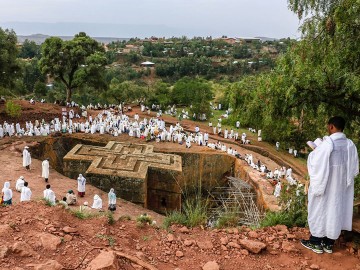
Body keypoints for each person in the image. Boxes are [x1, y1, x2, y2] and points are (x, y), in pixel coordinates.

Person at [301, 116, 359, 254]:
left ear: (332, 127)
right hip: (340, 187)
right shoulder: (350, 145)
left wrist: (315, 151)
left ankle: (315, 242)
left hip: (326, 185)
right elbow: (354, 168)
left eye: (328, 126)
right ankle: (328, 244)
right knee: (336, 210)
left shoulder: (327, 144)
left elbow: (315, 162)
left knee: (320, 209)